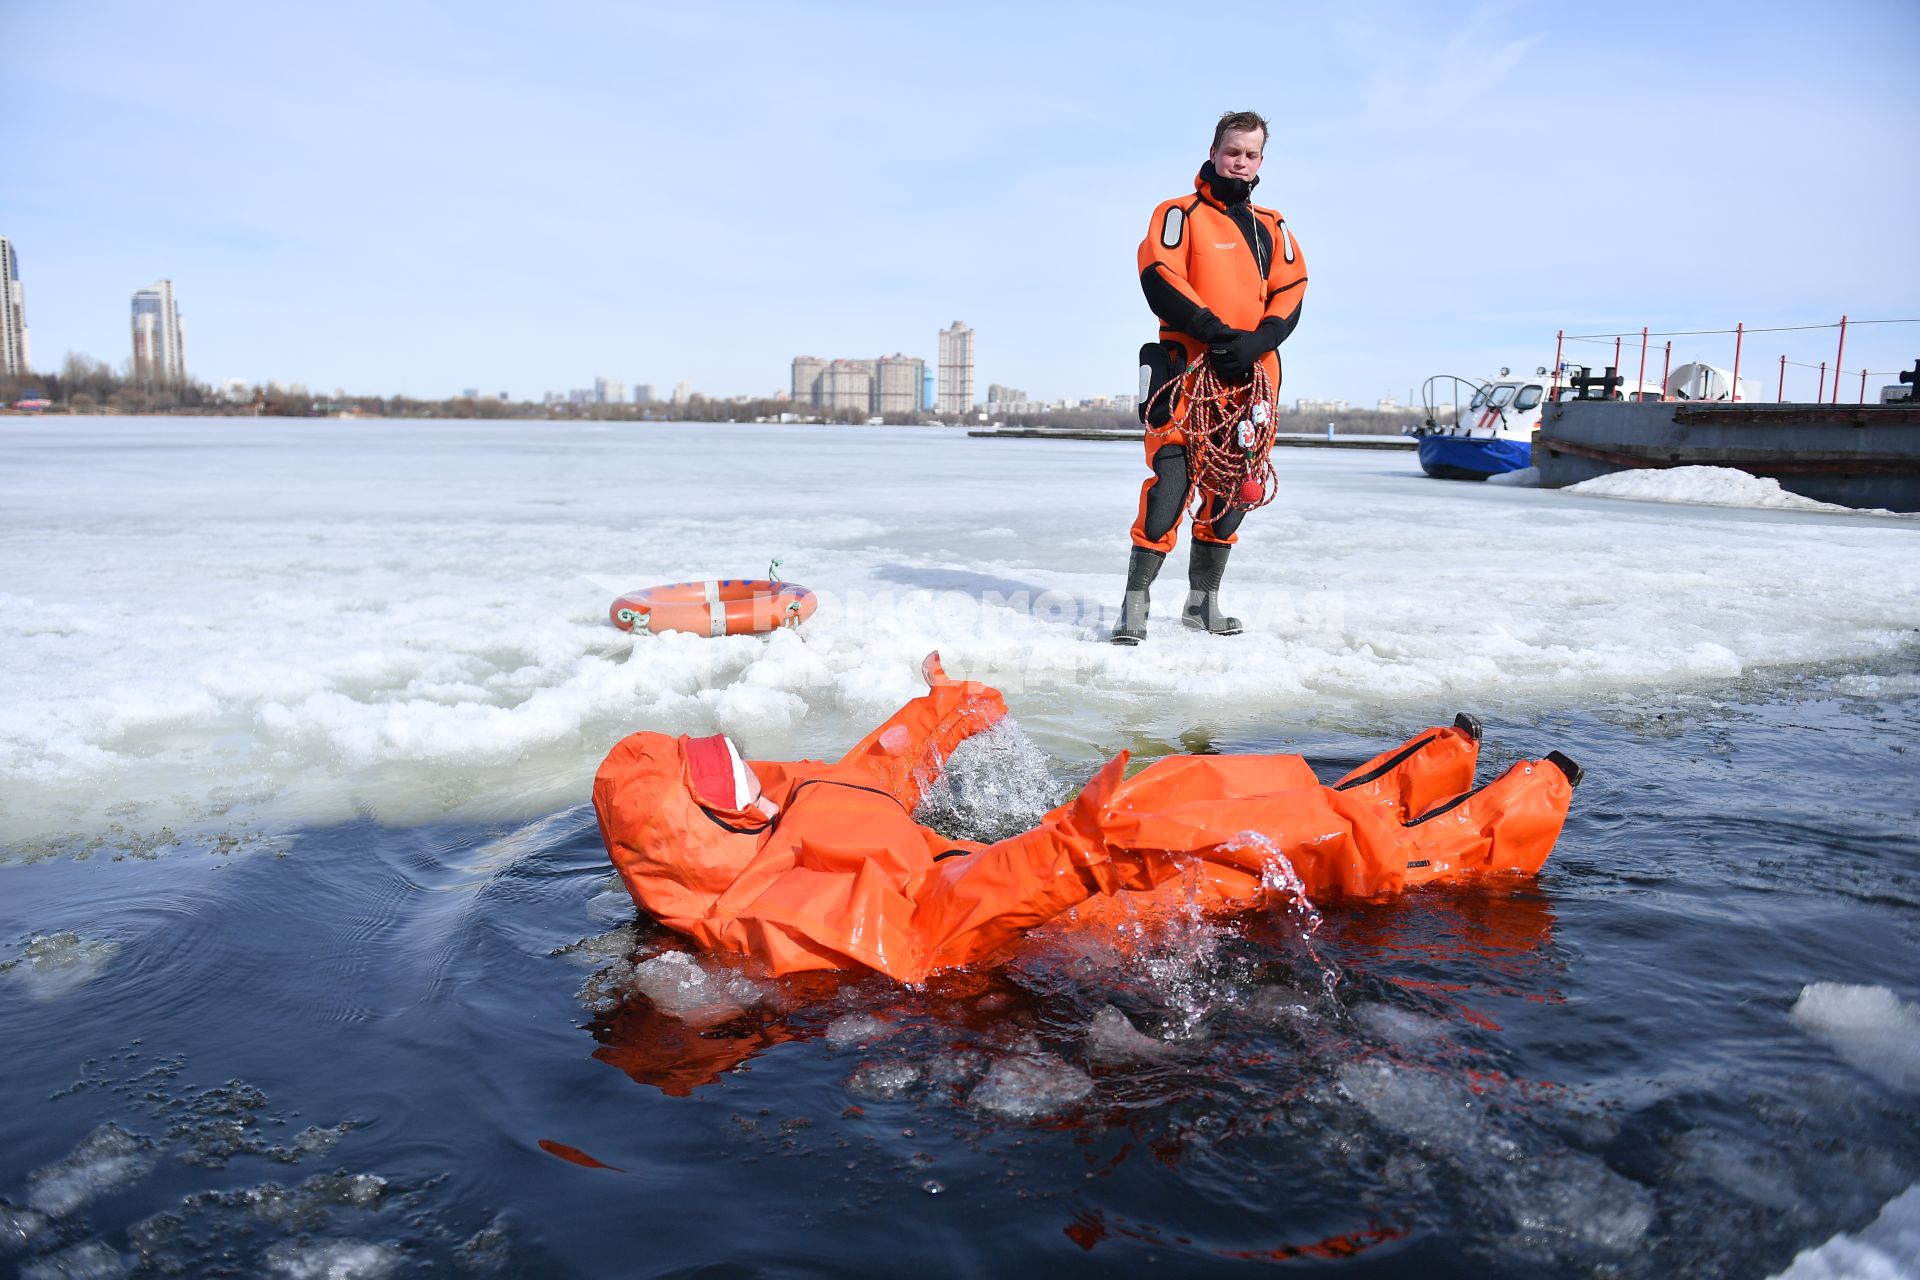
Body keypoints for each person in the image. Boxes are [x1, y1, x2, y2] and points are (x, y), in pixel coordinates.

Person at [591, 654, 1581, 985]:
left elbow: (867, 783)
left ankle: (1389, 789)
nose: (743, 775)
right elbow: (940, 926)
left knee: (1188, 787)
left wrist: (940, 711)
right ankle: (1482, 842)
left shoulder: (774, 807)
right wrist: (1073, 842)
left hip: (1036, 875)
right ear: (693, 821)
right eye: (718, 777)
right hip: (1056, 926)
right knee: (1214, 847)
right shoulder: (774, 913)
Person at [1115, 109, 1309, 644]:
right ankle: (1135, 607)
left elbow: (1292, 291)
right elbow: (1159, 276)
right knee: (1170, 486)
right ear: (1215, 151)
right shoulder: (1179, 213)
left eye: (1250, 154)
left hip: (1252, 377)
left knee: (1235, 490)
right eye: (1232, 151)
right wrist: (1216, 333)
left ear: (1260, 160)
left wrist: (1256, 342)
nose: (1240, 161)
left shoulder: (1272, 226)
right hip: (1186, 371)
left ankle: (1203, 605)